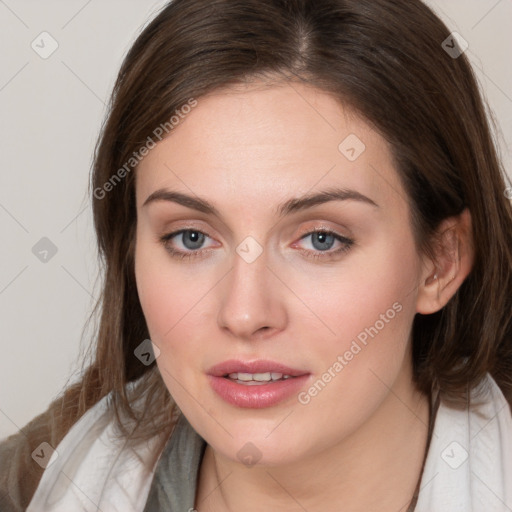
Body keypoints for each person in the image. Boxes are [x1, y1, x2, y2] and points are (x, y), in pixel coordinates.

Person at [1, 0, 512, 510]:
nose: (245, 313)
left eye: (320, 239)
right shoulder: (27, 486)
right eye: (191, 238)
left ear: (440, 262)